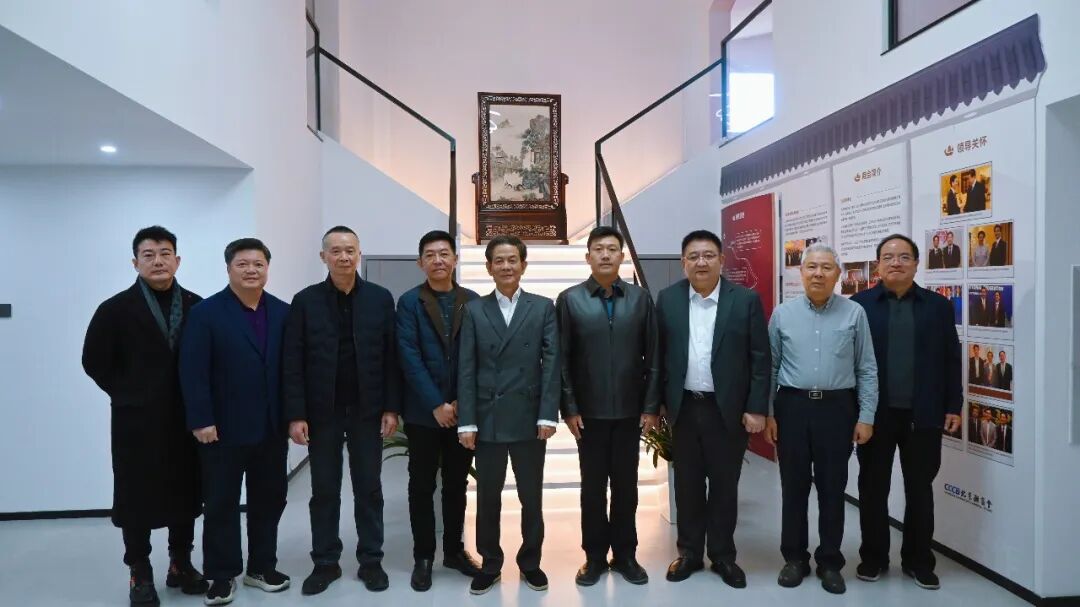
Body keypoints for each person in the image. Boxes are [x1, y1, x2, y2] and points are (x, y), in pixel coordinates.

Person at [82, 226, 208, 606]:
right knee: (135, 495)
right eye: (148, 255)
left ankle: (180, 563)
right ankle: (139, 570)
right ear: (135, 262)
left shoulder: (197, 306)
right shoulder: (115, 309)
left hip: (186, 419)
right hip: (135, 422)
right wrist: (128, 394)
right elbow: (94, 361)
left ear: (178, 260)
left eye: (165, 253)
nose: (158, 261)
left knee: (186, 491)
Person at [282, 226, 401, 595]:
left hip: (368, 410)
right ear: (324, 257)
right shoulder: (305, 301)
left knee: (369, 488)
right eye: (335, 251)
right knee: (324, 490)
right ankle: (325, 562)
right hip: (322, 412)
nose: (343, 257)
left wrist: (391, 407)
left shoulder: (380, 299)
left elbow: (391, 358)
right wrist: (296, 414)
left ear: (359, 254)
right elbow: (293, 360)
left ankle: (371, 561)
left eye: (350, 250)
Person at [655, 230, 771, 588]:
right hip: (684, 408)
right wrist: (656, 404)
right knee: (687, 485)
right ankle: (689, 553)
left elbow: (760, 358)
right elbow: (658, 356)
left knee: (724, 485)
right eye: (693, 256)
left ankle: (722, 555)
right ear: (683, 263)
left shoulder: (745, 300)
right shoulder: (668, 299)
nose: (701, 262)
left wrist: (756, 407)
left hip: (727, 411)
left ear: (722, 260)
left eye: (708, 255)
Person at [179, 238, 291, 605]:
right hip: (221, 431)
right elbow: (193, 371)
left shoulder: (283, 312)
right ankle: (222, 575)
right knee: (221, 503)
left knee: (269, 501)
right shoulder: (206, 313)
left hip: (270, 428)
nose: (251, 270)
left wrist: (293, 417)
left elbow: (291, 370)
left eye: (258, 264)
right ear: (228, 268)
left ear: (267, 268)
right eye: (242, 264)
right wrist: (201, 419)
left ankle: (261, 568)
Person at [850, 234, 962, 591]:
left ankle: (918, 561)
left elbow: (951, 358)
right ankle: (873, 558)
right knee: (872, 488)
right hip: (875, 416)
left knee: (920, 490)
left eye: (903, 257)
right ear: (878, 265)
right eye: (888, 257)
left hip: (923, 415)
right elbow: (849, 362)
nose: (895, 262)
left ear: (916, 263)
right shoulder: (860, 305)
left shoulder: (937, 306)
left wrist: (954, 404)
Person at [764, 242, 877, 595]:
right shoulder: (782, 314)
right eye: (811, 267)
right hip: (792, 408)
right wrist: (769, 413)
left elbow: (866, 368)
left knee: (832, 488)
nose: (818, 273)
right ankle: (794, 558)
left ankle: (830, 562)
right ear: (800, 272)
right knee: (793, 487)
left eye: (826, 267)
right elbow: (769, 367)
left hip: (837, 410)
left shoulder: (854, 313)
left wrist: (866, 416)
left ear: (838, 274)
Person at [556, 227, 660, 587]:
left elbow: (654, 356)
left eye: (612, 249)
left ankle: (626, 555)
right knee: (592, 488)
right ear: (588, 257)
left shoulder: (640, 299)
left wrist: (651, 406)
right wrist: (569, 407)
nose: (605, 255)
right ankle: (595, 557)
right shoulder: (570, 300)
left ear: (621, 256)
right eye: (598, 249)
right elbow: (562, 360)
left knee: (627, 487)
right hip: (588, 414)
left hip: (630, 411)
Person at [457, 235, 559, 595]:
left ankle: (530, 562)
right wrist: (467, 421)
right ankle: (490, 562)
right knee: (488, 496)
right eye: (498, 260)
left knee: (531, 496)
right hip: (488, 418)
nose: (506, 266)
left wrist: (548, 414)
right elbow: (466, 368)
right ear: (488, 267)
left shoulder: (543, 307)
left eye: (512, 260)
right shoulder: (474, 310)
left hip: (529, 418)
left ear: (523, 265)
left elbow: (552, 364)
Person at [395, 230, 482, 591]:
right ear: (420, 263)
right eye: (430, 255)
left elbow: (478, 355)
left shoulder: (472, 301)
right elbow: (408, 355)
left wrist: (460, 402)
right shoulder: (409, 302)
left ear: (455, 260)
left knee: (457, 484)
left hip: (462, 413)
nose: (438, 260)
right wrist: (436, 404)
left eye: (444, 254)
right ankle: (424, 556)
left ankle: (454, 551)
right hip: (423, 414)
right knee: (421, 484)